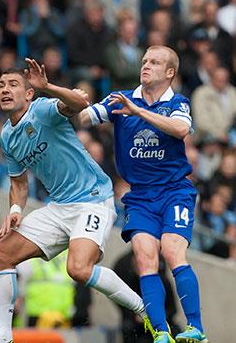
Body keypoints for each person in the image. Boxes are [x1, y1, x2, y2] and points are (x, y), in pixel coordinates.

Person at [0, 60, 148, 343]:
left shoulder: (42, 109)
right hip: (59, 206)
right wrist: (15, 209)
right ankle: (2, 336)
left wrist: (47, 86)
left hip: (93, 199)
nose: (5, 90)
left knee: (78, 269)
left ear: (29, 93)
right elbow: (19, 182)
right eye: (1, 85)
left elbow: (80, 103)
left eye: (13, 84)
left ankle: (144, 309)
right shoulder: (7, 136)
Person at [80, 46, 207, 343]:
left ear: (170, 72)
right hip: (139, 196)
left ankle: (195, 327)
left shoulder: (177, 102)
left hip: (174, 191)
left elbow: (180, 129)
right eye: (145, 61)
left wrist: (138, 112)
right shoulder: (121, 99)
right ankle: (160, 332)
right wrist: (73, 101)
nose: (146, 66)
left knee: (172, 251)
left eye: (155, 62)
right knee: (144, 259)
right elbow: (85, 117)